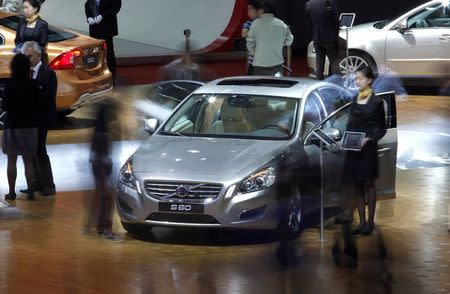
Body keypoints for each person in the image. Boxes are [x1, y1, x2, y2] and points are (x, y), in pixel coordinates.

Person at [344, 66, 387, 236]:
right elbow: (350, 124)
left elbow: (382, 129)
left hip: (368, 150)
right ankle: (361, 222)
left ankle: (370, 223)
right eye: (355, 79)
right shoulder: (355, 99)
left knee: (369, 184)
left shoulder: (376, 102)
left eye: (360, 78)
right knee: (357, 185)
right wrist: (346, 139)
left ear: (369, 80)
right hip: (354, 149)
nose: (357, 81)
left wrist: (368, 138)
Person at [1, 54, 40, 201]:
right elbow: (38, 104)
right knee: (28, 160)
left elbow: (4, 106)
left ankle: (11, 192)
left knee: (12, 160)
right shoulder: (33, 84)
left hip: (12, 126)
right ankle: (30, 192)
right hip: (30, 126)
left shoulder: (9, 85)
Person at [20, 41, 57, 196]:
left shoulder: (48, 73)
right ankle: (36, 181)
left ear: (38, 55)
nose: (27, 59)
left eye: (30, 56)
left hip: (42, 118)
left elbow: (49, 97)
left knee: (40, 150)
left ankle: (49, 185)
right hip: (28, 119)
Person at [246, 0, 293, 76]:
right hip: (276, 63)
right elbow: (289, 41)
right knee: (276, 86)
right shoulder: (282, 24)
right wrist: (279, 43)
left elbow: (249, 44)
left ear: (262, 10)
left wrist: (257, 53)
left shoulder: (255, 24)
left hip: (259, 64)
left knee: (260, 86)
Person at [85, 0, 122, 85]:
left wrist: (103, 15)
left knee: (108, 52)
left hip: (107, 27)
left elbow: (116, 7)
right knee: (95, 53)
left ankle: (112, 76)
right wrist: (88, 17)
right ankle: (96, 76)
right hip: (95, 28)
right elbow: (88, 4)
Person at [305, 0, 340, 80]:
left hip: (317, 37)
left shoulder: (308, 4)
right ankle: (336, 83)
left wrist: (314, 34)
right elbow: (336, 20)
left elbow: (309, 23)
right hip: (330, 37)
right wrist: (335, 33)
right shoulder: (329, 2)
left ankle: (318, 84)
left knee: (319, 64)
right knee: (334, 62)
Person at [242, 0, 260, 75]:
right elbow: (244, 34)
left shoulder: (266, 23)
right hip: (252, 62)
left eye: (251, 9)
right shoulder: (248, 23)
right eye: (248, 9)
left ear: (259, 10)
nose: (249, 12)